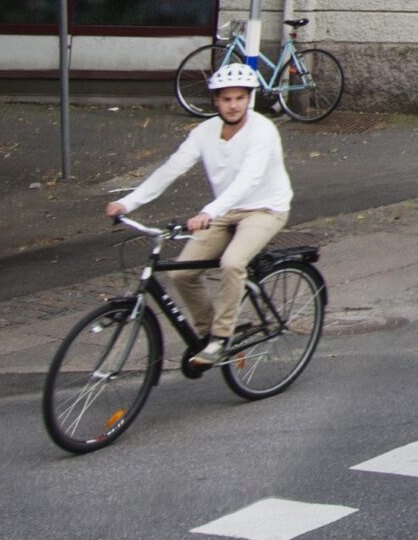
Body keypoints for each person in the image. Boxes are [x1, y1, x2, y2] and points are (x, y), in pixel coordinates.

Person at [105, 62, 291, 371]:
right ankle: (207, 334)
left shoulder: (262, 130)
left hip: (265, 208)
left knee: (232, 262)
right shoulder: (204, 133)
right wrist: (127, 203)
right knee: (182, 274)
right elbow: (171, 168)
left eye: (240, 98)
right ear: (215, 101)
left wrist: (209, 211)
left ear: (249, 99)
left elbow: (249, 179)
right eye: (226, 99)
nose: (233, 105)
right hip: (225, 208)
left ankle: (221, 338)